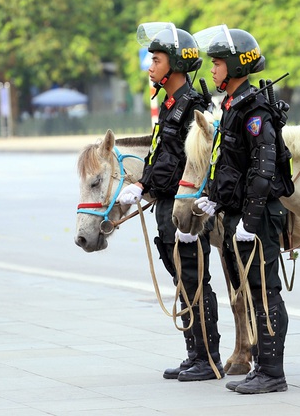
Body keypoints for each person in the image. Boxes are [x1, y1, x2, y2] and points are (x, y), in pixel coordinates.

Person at [117, 22, 224, 382]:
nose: (150, 65)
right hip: (165, 202)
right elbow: (161, 157)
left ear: (176, 65)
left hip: (182, 206)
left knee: (194, 278)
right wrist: (142, 185)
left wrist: (148, 186)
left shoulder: (192, 106)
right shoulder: (171, 104)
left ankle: (208, 359)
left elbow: (183, 163)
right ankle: (194, 354)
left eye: (156, 59)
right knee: (182, 279)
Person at [193, 25, 291, 394]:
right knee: (251, 291)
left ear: (235, 67)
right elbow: (232, 164)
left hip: (259, 217)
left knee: (266, 292)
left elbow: (264, 167)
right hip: (239, 215)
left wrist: (249, 220)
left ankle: (273, 373)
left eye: (217, 64)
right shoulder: (234, 106)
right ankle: (262, 367)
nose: (213, 70)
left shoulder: (254, 111)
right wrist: (216, 198)